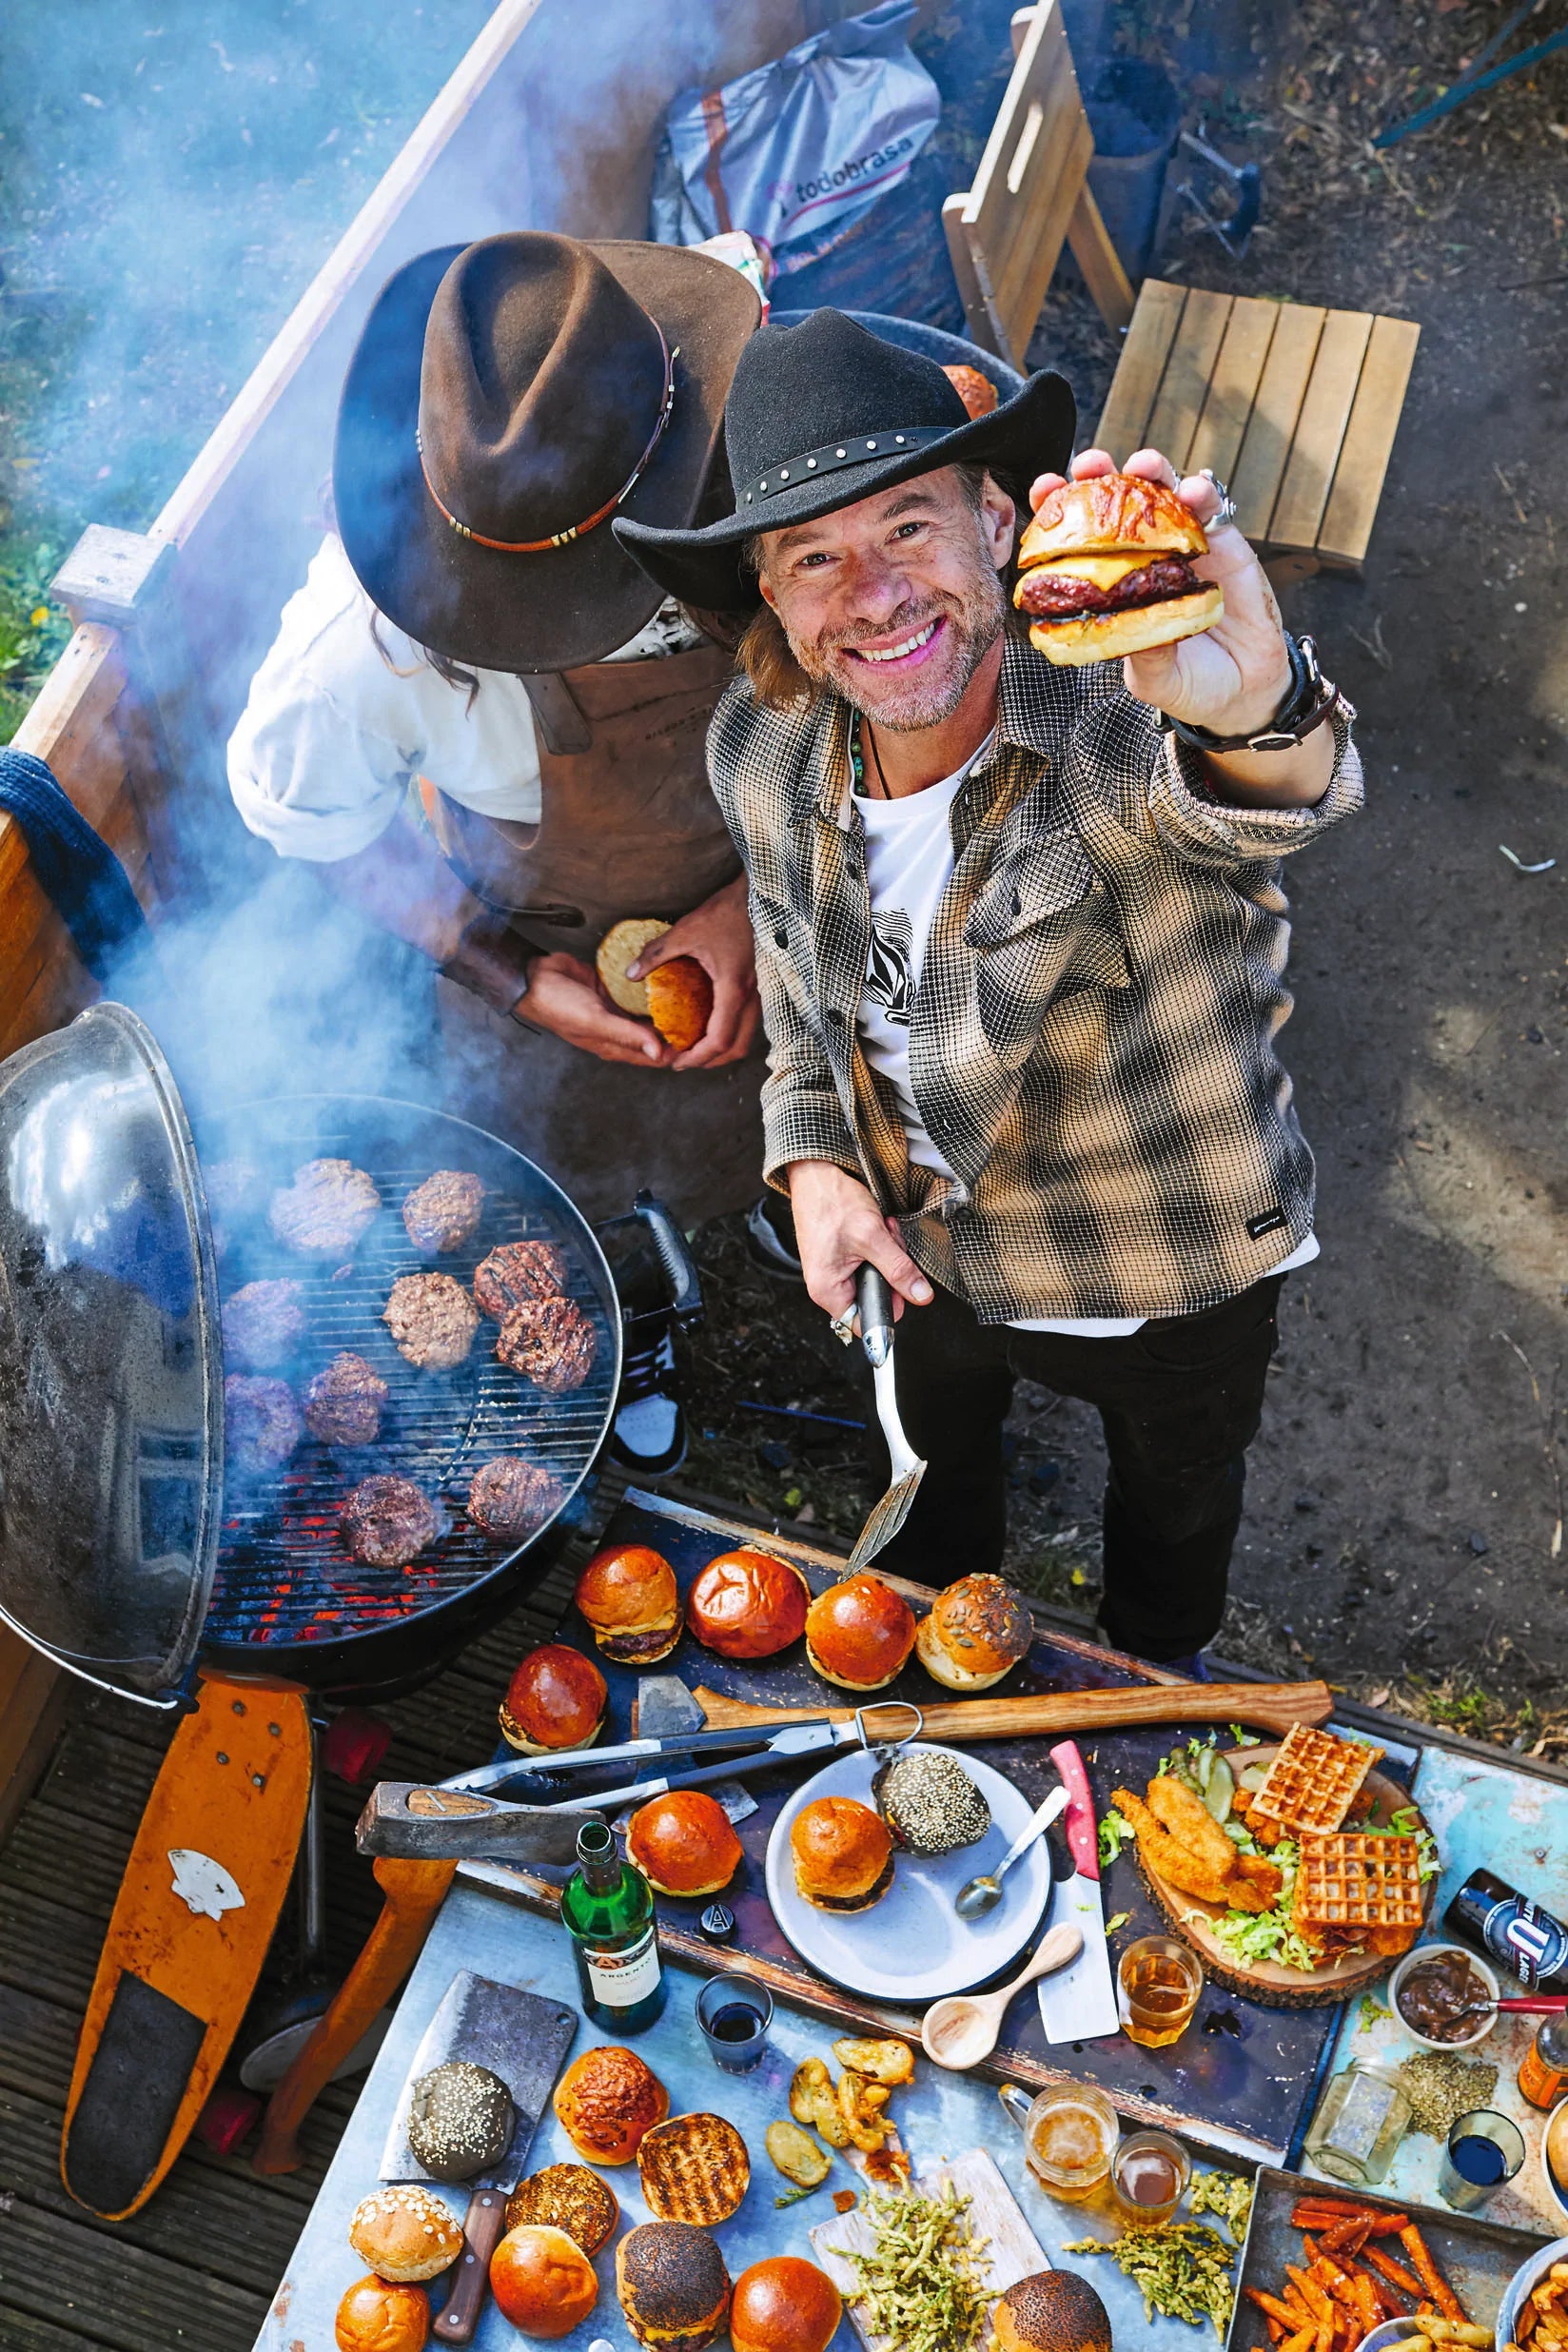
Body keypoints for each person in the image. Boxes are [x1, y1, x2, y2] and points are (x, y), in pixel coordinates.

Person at [617, 310, 1362, 1672]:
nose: (878, 593)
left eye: (910, 527)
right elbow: (802, 1007)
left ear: (999, 524)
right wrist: (814, 1166)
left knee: (1175, 1522)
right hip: (921, 1256)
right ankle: (943, 1658)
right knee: (932, 1507)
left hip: (1158, 1268)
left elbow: (1257, 792)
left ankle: (1153, 1680)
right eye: (816, 557)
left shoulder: (1125, 717)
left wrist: (1260, 707)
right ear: (770, 599)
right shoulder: (762, 751)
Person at [227, 231, 768, 1241]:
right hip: (567, 972)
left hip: (822, 881)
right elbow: (314, 822)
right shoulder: (353, 659)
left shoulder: (755, 452)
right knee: (601, 1196)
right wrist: (503, 973)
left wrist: (761, 898)